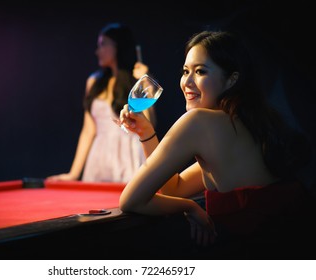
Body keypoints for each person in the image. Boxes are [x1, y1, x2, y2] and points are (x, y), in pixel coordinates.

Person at [118, 30, 312, 249]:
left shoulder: (199, 121)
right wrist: (147, 134)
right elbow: (175, 188)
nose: (187, 82)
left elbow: (130, 201)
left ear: (231, 80)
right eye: (185, 71)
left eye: (200, 71)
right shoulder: (252, 122)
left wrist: (191, 208)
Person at [47, 23, 154, 183]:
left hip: (129, 154)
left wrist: (145, 83)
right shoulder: (94, 82)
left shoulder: (136, 80)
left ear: (118, 46)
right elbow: (88, 130)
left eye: (103, 44)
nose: (98, 51)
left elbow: (150, 123)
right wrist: (74, 174)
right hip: (99, 156)